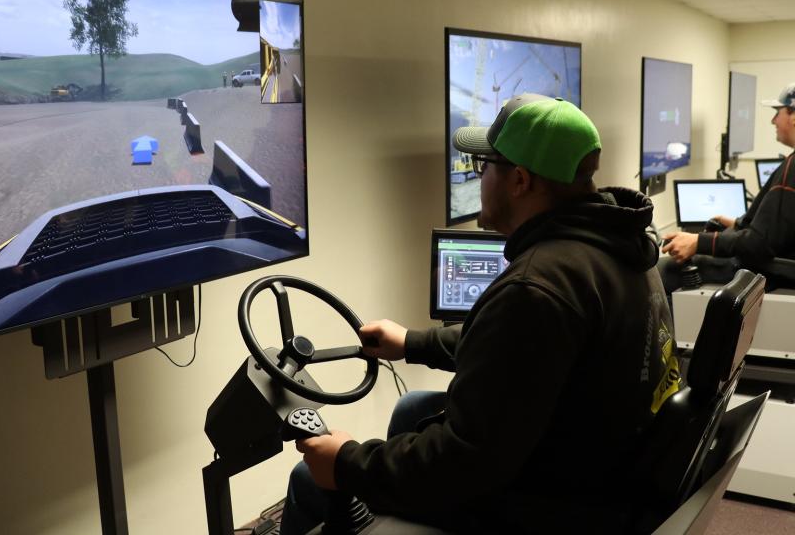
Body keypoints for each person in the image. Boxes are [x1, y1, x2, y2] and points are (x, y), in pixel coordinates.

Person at [281, 94, 679, 534]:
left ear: (520, 180)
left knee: (309, 480)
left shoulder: (536, 287)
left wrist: (347, 462)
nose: (479, 176)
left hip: (548, 504)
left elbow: (464, 462)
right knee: (413, 408)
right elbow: (521, 350)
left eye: (483, 166)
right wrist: (413, 342)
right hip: (598, 469)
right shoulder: (619, 245)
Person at [659, 82, 795, 293]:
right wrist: (737, 224)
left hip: (766, 273)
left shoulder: (792, 168)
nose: (773, 120)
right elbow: (781, 230)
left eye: (778, 112)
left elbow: (758, 245)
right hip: (780, 267)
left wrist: (698, 241)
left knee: (664, 270)